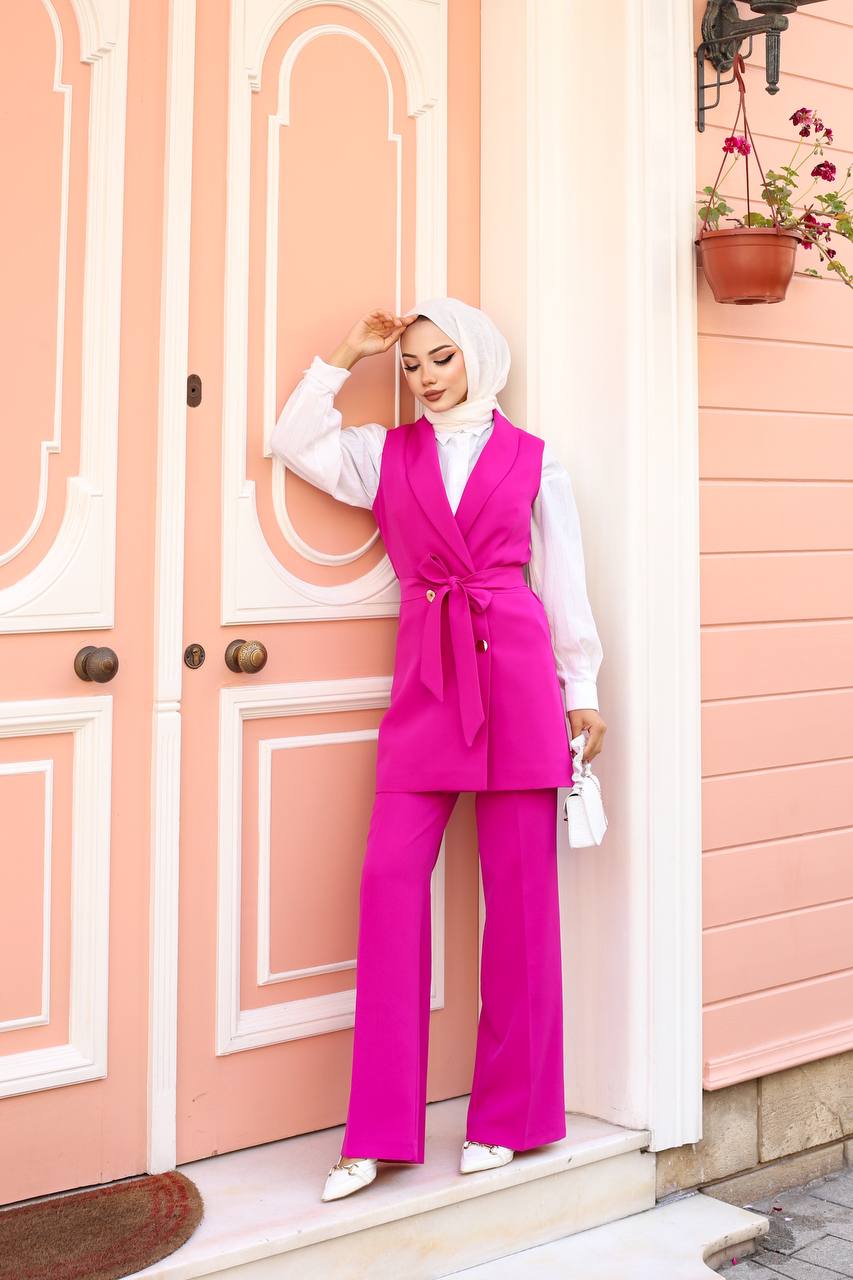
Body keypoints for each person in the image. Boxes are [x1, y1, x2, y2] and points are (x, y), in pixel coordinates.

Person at [269, 299, 606, 1203]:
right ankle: (377, 1133)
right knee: (387, 888)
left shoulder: (538, 460)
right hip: (426, 682)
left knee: (523, 903)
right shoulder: (384, 454)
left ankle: (512, 1119)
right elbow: (294, 439)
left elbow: (561, 580)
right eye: (412, 364)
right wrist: (346, 352)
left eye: (440, 358)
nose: (423, 377)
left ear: (480, 359)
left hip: (521, 679)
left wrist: (583, 691)